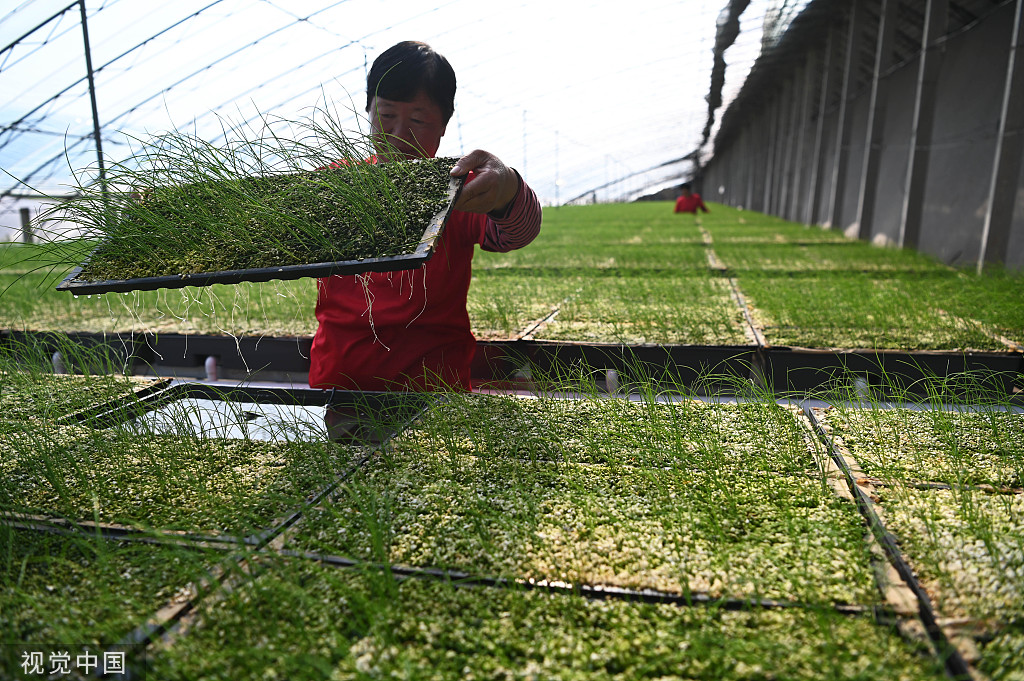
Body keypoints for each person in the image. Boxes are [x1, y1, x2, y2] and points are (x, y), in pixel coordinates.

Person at [309, 41, 542, 432]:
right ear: (368, 110)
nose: (399, 134)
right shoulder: (336, 184)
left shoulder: (458, 189)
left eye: (418, 121)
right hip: (344, 384)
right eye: (386, 115)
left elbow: (516, 232)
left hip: (435, 390)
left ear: (444, 125)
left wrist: (508, 188)